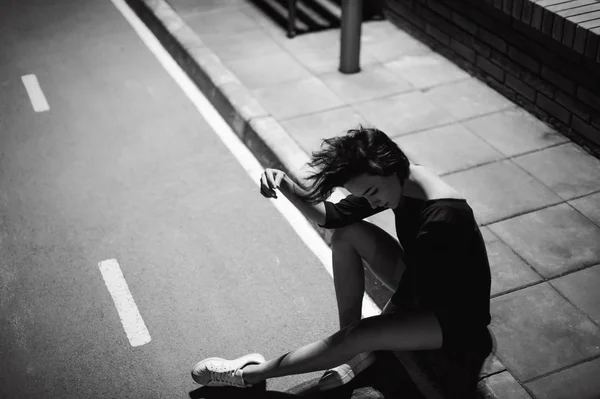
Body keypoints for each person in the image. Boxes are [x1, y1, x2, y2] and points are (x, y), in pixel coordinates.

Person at [191, 126, 493, 397]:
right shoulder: (402, 178)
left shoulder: (442, 220)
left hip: (454, 320)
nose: (372, 202)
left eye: (372, 193)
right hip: (427, 283)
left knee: (358, 335)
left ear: (391, 167)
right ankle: (353, 353)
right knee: (347, 234)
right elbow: (334, 217)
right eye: (364, 195)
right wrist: (286, 185)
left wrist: (357, 339)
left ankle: (248, 375)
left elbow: (412, 297)